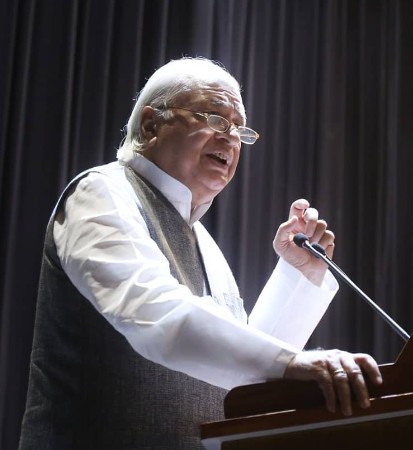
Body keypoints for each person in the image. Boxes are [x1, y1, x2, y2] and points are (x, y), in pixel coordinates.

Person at [19, 57, 382, 450]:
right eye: (215, 119)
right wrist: (291, 362)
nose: (230, 139)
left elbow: (243, 373)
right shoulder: (102, 192)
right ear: (151, 125)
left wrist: (298, 275)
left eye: (238, 129)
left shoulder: (203, 240)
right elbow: (153, 312)